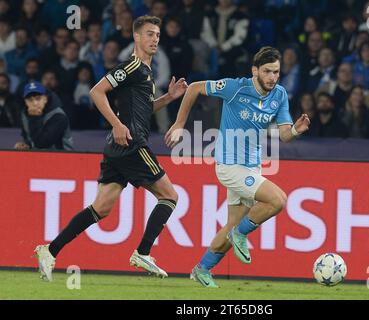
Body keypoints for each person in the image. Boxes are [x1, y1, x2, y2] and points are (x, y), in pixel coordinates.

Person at [34, 15, 188, 282]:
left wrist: (168, 97)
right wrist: (116, 124)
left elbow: (142, 110)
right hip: (131, 143)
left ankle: (50, 249)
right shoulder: (131, 66)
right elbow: (96, 91)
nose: (155, 39)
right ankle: (142, 252)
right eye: (149, 34)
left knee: (101, 208)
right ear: (136, 37)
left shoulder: (147, 73)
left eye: (157, 35)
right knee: (170, 196)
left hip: (117, 147)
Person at [165, 47, 310, 288]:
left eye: (276, 72)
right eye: (267, 72)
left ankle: (202, 269)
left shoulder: (280, 95)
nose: (272, 77)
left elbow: (284, 135)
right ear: (255, 71)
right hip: (229, 166)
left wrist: (295, 130)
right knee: (278, 200)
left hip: (253, 168)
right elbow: (194, 88)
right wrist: (180, 123)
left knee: (233, 225)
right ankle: (240, 234)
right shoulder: (235, 87)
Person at [14, 81, 73, 151]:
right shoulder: (25, 114)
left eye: (38, 98)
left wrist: (34, 118)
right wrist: (26, 144)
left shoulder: (58, 116)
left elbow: (42, 144)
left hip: (63, 158)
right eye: (30, 100)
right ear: (25, 102)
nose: (35, 103)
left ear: (45, 99)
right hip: (37, 157)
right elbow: (29, 137)